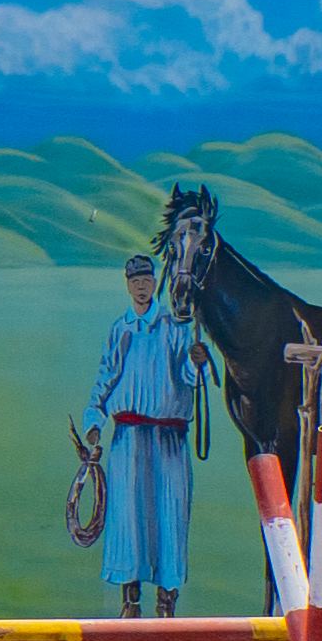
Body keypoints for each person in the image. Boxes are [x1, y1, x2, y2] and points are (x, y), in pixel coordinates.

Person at [81, 250, 207, 619]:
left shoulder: (176, 327)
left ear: (155, 284)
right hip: (128, 438)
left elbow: (188, 378)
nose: (141, 287)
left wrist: (196, 361)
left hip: (169, 439)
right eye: (135, 282)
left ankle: (167, 602)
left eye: (147, 281)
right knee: (128, 519)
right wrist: (94, 418)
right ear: (128, 286)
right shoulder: (121, 329)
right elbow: (106, 374)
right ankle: (130, 601)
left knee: (169, 515)